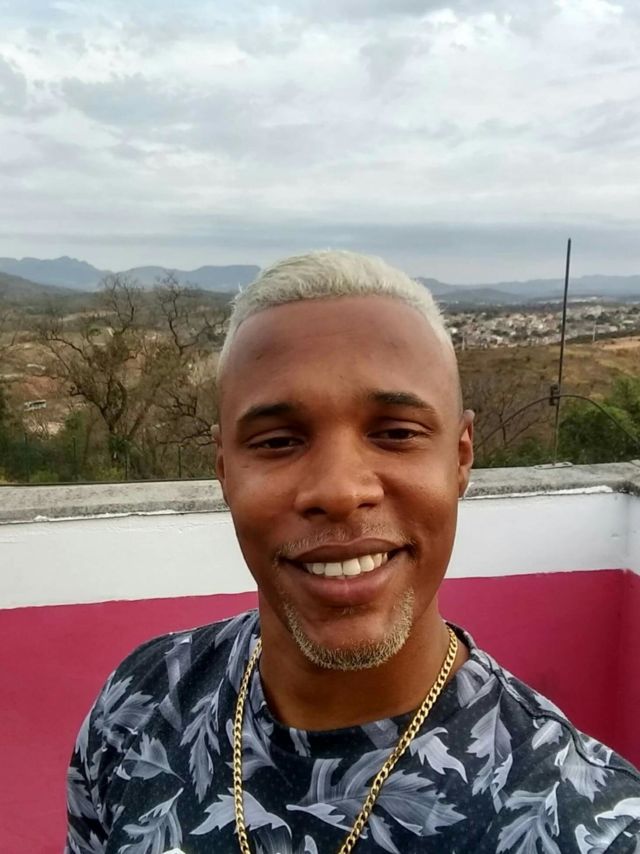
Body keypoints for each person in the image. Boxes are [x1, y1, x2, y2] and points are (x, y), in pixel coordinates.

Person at [66, 251, 640, 854]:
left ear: (461, 457)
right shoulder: (140, 704)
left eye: (396, 433)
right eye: (278, 441)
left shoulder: (586, 824)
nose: (340, 492)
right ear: (224, 470)